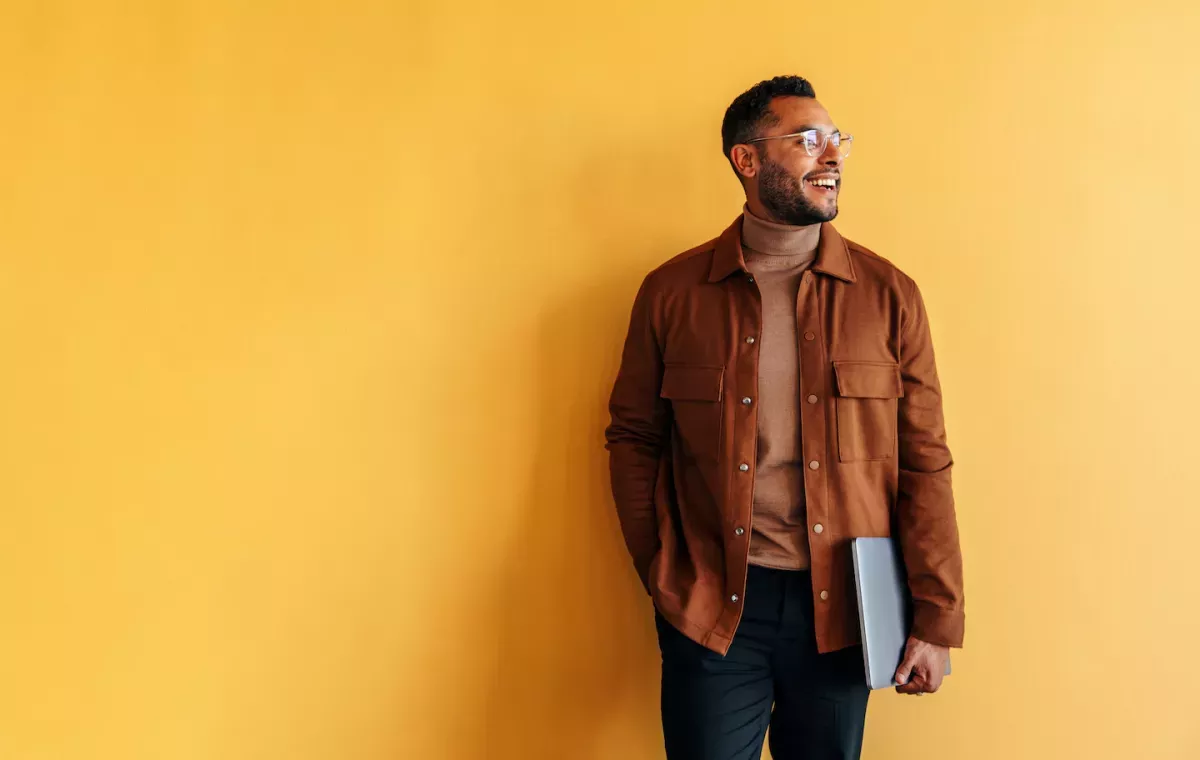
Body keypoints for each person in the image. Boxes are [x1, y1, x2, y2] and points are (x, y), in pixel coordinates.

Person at [603, 75, 965, 760]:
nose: (832, 156)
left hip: (843, 610)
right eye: (808, 140)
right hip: (711, 605)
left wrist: (936, 618)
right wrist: (663, 567)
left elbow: (925, 461)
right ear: (747, 159)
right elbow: (635, 438)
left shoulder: (888, 296)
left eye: (837, 140)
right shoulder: (673, 293)